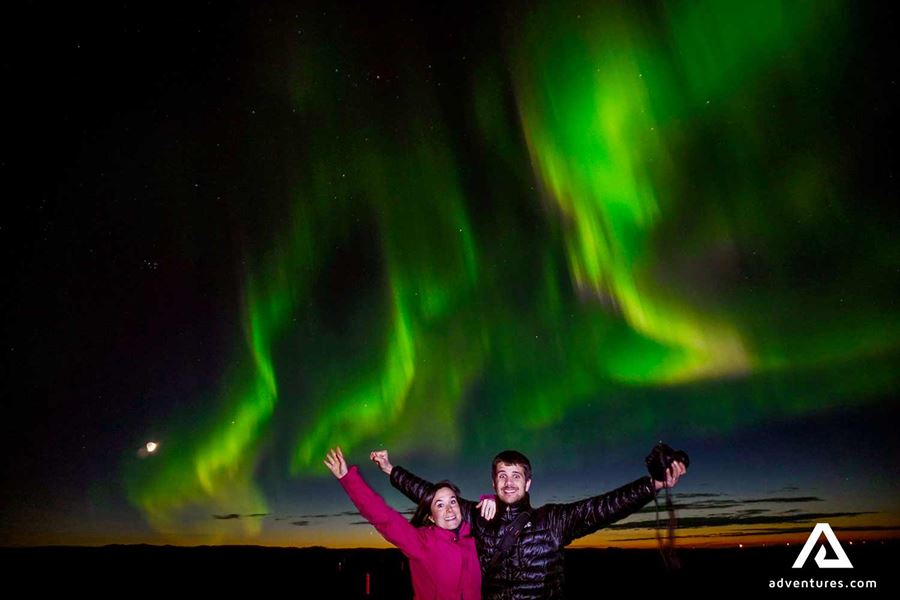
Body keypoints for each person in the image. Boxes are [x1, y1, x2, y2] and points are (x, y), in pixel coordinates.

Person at [371, 448, 686, 599]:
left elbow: (602, 508)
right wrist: (390, 470)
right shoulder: (479, 517)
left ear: (528, 483)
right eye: (502, 477)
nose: (509, 484)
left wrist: (653, 485)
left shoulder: (552, 521)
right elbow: (431, 495)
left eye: (516, 477)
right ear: (493, 483)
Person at [325, 447, 495, 600]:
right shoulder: (421, 542)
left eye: (453, 502)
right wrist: (348, 479)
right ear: (431, 517)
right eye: (440, 505)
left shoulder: (476, 538)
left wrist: (493, 502)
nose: (449, 509)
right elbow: (384, 517)